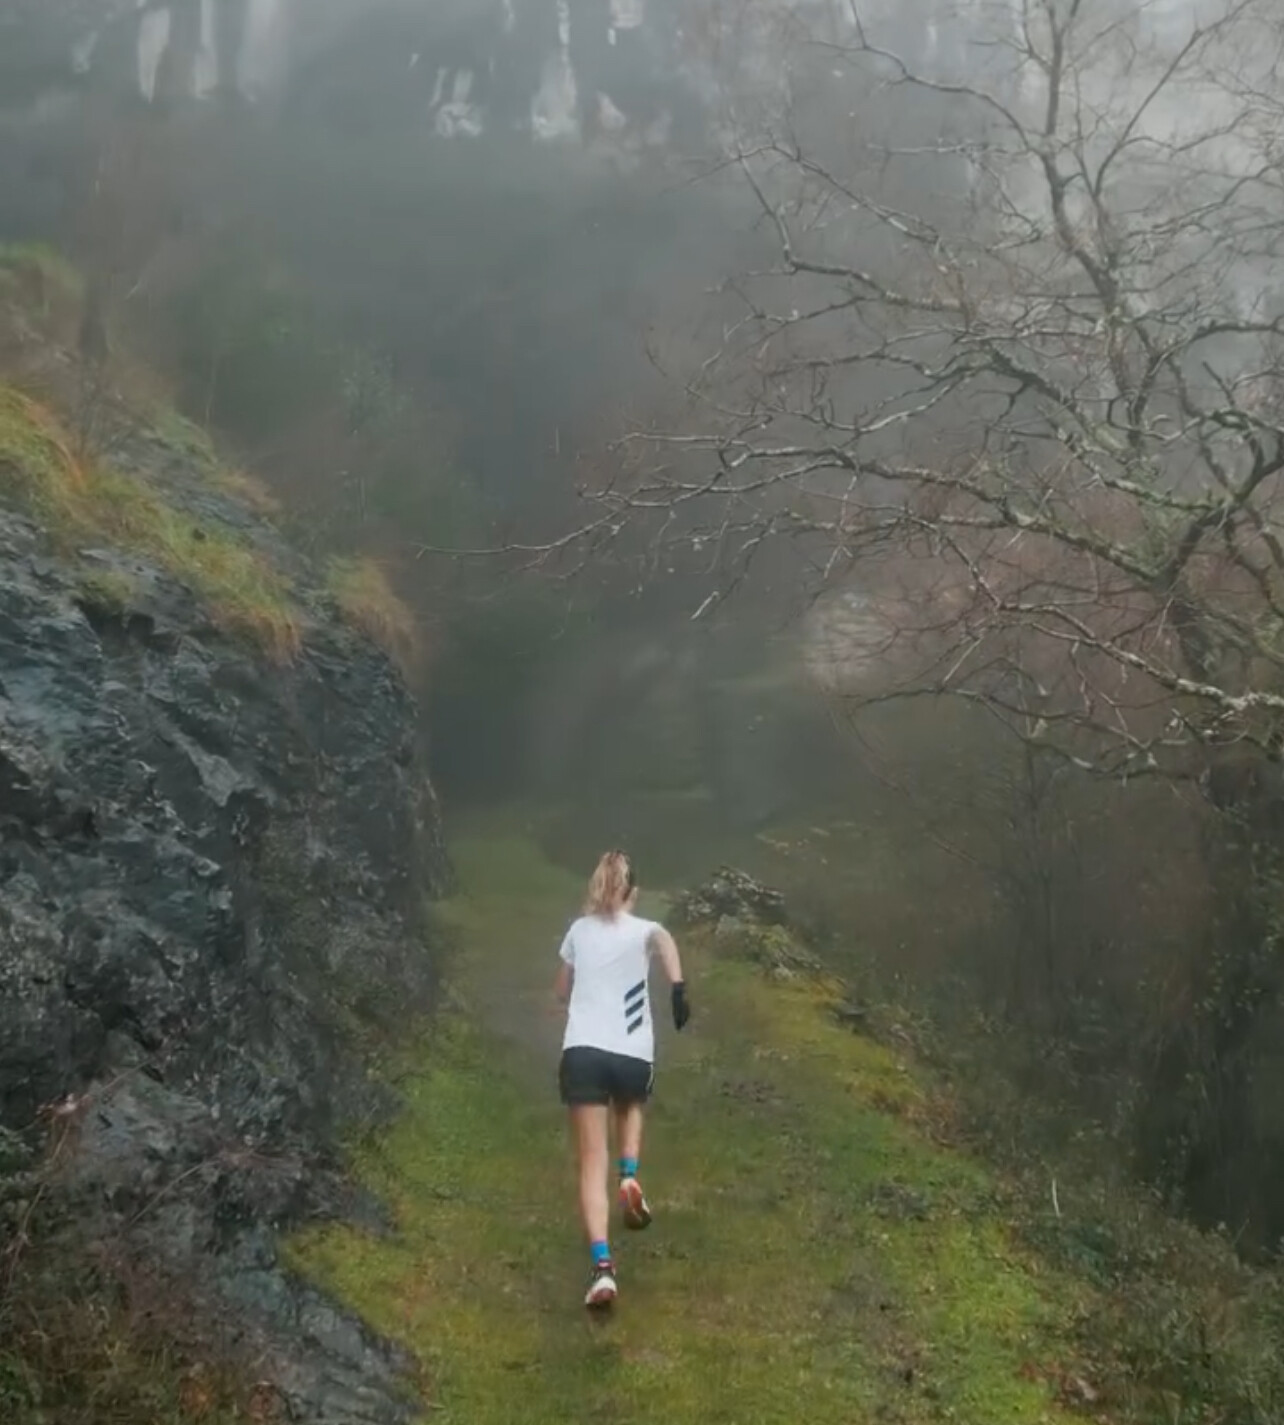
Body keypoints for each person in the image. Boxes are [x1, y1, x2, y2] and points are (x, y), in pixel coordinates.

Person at [554, 849, 690, 1309]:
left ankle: (603, 1268)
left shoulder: (578, 931)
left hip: (584, 1052)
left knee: (592, 1160)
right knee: (631, 1105)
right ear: (635, 892)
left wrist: (573, 993)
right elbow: (666, 941)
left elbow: (561, 990)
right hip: (632, 1053)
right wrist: (677, 987)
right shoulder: (645, 930)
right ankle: (629, 1176)